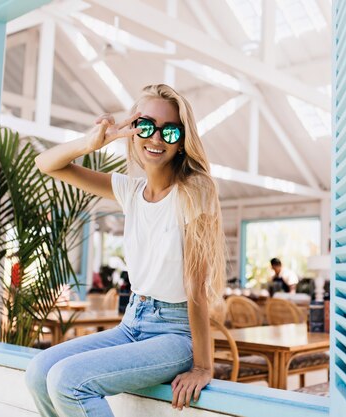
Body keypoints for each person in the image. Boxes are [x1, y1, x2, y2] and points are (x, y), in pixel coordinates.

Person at [25, 84, 226, 416]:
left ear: (182, 140)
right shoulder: (130, 191)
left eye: (170, 130)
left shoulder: (195, 190)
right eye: (145, 126)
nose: (156, 138)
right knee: (38, 371)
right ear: (133, 131)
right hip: (132, 321)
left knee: (67, 381)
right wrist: (92, 142)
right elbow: (46, 163)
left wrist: (204, 366)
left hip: (175, 333)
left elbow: (196, 286)